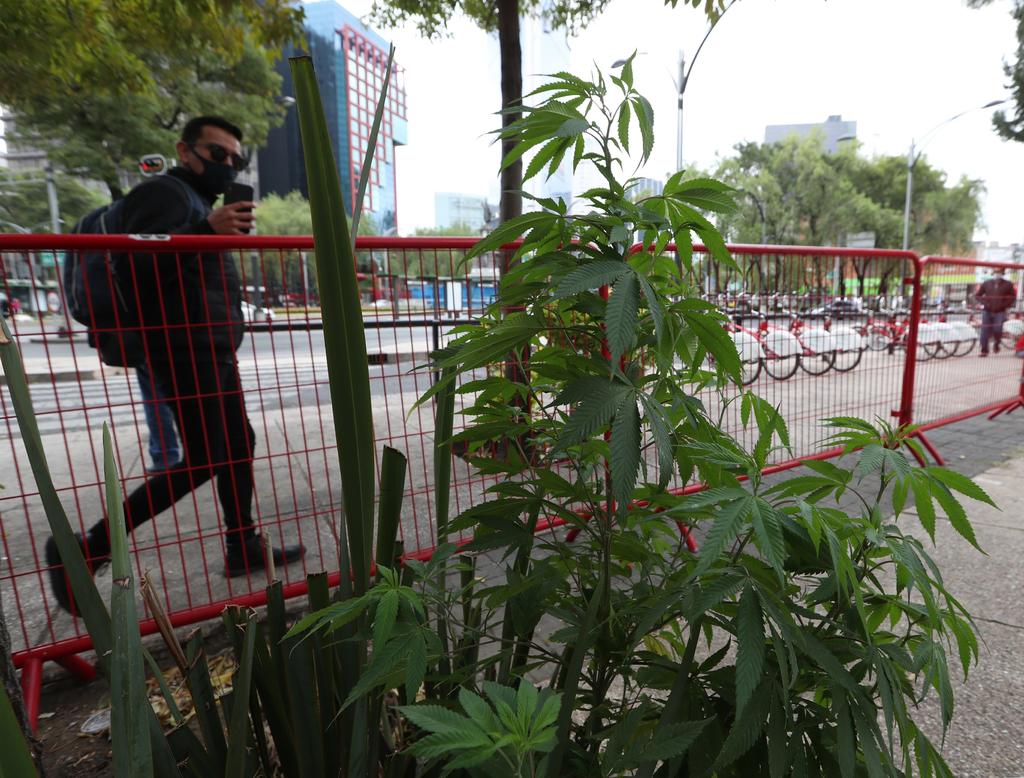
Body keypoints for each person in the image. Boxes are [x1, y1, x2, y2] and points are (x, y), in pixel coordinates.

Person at [46, 116, 304, 613]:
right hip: (180, 348)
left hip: (209, 345)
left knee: (238, 443)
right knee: (205, 457)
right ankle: (89, 547)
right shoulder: (164, 193)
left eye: (235, 159)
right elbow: (132, 264)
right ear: (186, 151)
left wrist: (209, 230)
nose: (228, 165)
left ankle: (242, 544)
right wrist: (204, 231)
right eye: (217, 153)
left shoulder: (197, 202)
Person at [975, 267, 1017, 356]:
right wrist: (985, 303)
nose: (997, 274)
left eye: (999, 272)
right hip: (987, 310)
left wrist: (1004, 305)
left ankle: (997, 344)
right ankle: (984, 350)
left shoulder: (1008, 284)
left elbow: (1012, 297)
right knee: (985, 331)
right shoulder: (986, 283)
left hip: (1000, 311)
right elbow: (978, 295)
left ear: (1002, 273)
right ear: (993, 273)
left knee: (997, 329)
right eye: (995, 272)